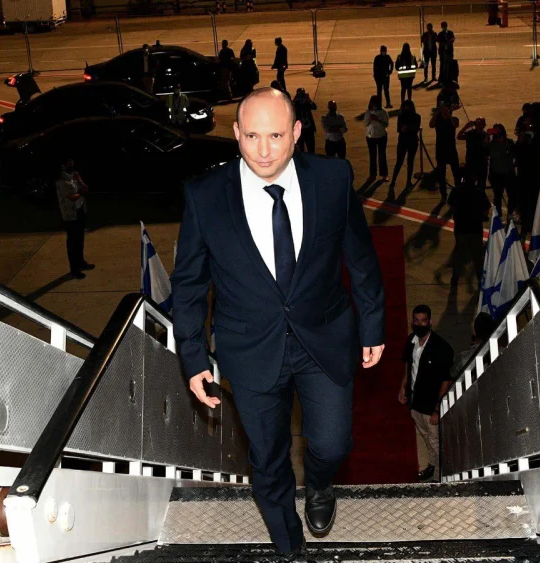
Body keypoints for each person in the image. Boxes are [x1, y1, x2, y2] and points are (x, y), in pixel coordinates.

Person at [170, 87, 386, 559]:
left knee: (332, 444)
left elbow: (361, 257)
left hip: (323, 338)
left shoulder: (332, 179)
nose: (263, 150)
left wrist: (372, 323)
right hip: (248, 350)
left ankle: (321, 484)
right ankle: (290, 548)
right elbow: (187, 286)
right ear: (236, 135)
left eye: (274, 135)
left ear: (296, 133)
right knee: (267, 461)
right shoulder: (205, 195)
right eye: (251, 136)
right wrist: (192, 356)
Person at [399, 305, 453, 483]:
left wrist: (437, 408)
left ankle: (439, 476)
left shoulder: (441, 348)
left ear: (430, 321)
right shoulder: (411, 341)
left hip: (431, 405)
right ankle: (432, 466)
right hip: (415, 402)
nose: (419, 324)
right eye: (416, 321)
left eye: (423, 321)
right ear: (412, 321)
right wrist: (403, 387)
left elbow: (446, 380)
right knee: (426, 438)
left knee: (436, 442)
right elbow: (409, 366)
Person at [55, 159, 95, 279]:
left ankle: (81, 262)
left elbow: (85, 189)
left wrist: (80, 181)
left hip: (80, 211)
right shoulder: (61, 181)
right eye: (68, 163)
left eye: (72, 163)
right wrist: (81, 194)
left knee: (80, 240)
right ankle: (74, 269)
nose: (71, 165)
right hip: (70, 215)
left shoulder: (74, 176)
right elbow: (71, 197)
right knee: (73, 243)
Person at [446, 181, 491, 286]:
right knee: (477, 256)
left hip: (461, 228)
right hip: (475, 229)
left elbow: (451, 205)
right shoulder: (478, 192)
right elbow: (486, 206)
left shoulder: (456, 191)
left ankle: (455, 279)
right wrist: (483, 216)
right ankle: (481, 280)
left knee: (459, 255)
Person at [430, 101, 460, 204]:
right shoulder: (438, 119)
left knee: (456, 173)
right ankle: (444, 195)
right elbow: (431, 124)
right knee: (441, 174)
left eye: (446, 110)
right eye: (443, 110)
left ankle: (457, 194)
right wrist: (436, 113)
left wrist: (449, 116)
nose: (445, 111)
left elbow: (456, 125)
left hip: (451, 149)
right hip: (440, 149)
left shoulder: (453, 119)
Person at [391, 100, 421, 191]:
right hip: (404, 141)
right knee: (399, 162)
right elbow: (399, 129)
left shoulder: (416, 117)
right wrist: (406, 128)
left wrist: (406, 128)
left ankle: (408, 181)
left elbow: (415, 129)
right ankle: (393, 180)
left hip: (411, 140)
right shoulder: (401, 116)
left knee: (410, 162)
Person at [488, 123, 516, 217]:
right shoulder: (492, 144)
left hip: (508, 173)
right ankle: (498, 215)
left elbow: (515, 154)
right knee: (497, 197)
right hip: (497, 173)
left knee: (512, 195)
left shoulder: (510, 142)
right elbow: (491, 153)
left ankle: (511, 213)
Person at [360, 95, 390, 182]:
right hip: (371, 137)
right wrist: (370, 119)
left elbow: (386, 124)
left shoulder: (383, 112)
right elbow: (365, 124)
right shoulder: (368, 112)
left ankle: (384, 174)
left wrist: (377, 119)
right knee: (372, 156)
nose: (375, 106)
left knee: (382, 155)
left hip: (381, 136)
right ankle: (372, 175)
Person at [457, 117, 489, 192]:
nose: (479, 126)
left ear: (484, 125)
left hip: (481, 164)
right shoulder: (471, 134)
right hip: (472, 163)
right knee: (470, 185)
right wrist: (465, 127)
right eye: (477, 124)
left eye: (481, 124)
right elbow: (459, 136)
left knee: (481, 186)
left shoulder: (485, 135)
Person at [293, 88, 317, 153]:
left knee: (311, 148)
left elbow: (314, 107)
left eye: (302, 94)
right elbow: (290, 108)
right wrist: (295, 99)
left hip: (308, 129)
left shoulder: (306, 102)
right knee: (301, 149)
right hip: (300, 130)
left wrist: (308, 99)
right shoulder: (295, 104)